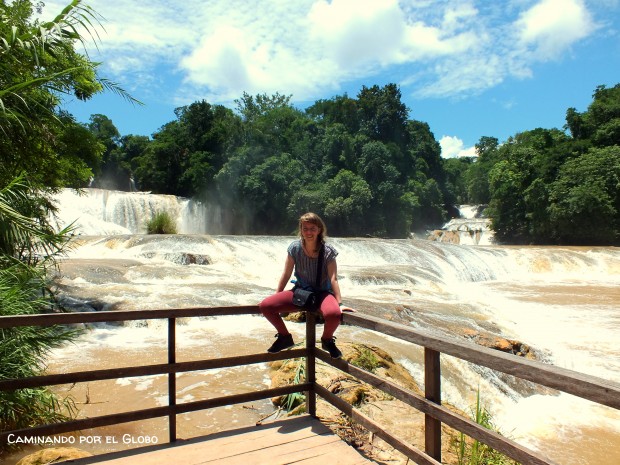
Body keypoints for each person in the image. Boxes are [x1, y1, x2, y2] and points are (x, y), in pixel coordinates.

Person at [259, 212, 354, 359]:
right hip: (300, 292)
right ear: (301, 230)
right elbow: (286, 273)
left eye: (312, 228)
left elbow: (333, 278)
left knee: (334, 314)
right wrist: (277, 294)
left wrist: (340, 303)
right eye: (305, 228)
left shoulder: (328, 251)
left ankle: (327, 340)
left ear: (319, 230)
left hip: (322, 293)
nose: (308, 232)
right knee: (266, 306)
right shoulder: (294, 248)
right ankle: (284, 337)